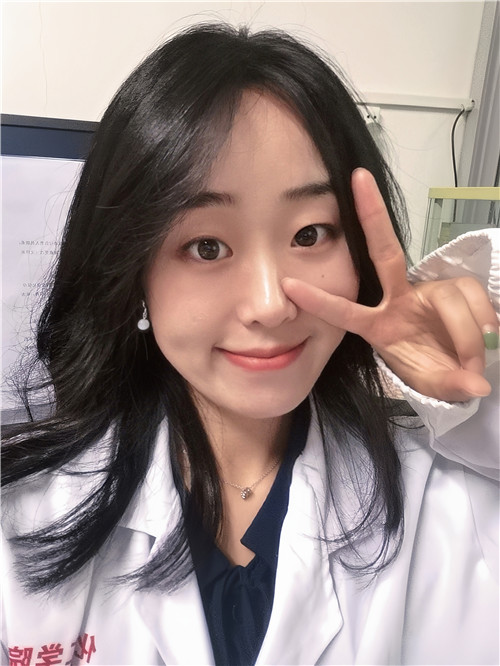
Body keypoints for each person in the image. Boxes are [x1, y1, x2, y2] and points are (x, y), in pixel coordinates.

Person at [1, 23, 498, 666]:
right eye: (206, 246)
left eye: (311, 234)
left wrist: (480, 371)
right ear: (132, 273)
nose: (270, 304)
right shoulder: (23, 515)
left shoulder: (445, 500)